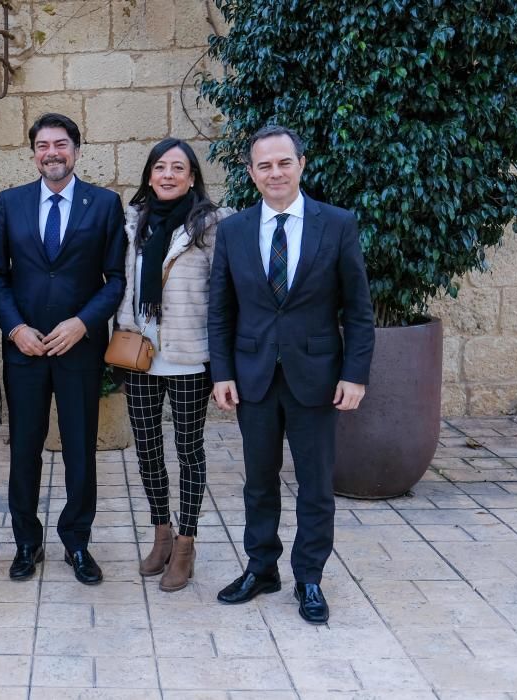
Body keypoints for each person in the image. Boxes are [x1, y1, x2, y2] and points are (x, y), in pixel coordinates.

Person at [207, 125, 374, 623]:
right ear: (252, 173)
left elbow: (359, 310)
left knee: (315, 483)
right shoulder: (234, 230)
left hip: (317, 377)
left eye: (283, 163)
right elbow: (221, 310)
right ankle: (261, 568)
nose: (274, 173)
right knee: (258, 481)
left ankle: (309, 578)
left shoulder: (338, 224)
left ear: (302, 164)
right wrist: (222, 372)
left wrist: (355, 374)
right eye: (264, 165)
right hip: (253, 376)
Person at [0, 113, 126, 585]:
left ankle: (77, 542)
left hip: (79, 351)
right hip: (25, 350)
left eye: (61, 144)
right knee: (24, 448)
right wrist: (14, 328)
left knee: (80, 450)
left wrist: (84, 323)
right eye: (43, 145)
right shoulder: (11, 203)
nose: (52, 152)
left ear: (77, 150)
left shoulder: (105, 204)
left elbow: (117, 279)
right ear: (33, 154)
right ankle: (27, 541)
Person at [115, 138, 233, 592]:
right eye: (160, 167)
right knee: (146, 451)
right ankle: (161, 533)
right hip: (140, 352)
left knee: (188, 451)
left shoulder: (208, 224)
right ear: (149, 175)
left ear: (191, 177)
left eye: (177, 168)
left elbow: (222, 294)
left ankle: (186, 543)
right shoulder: (134, 222)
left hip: (187, 355)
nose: (167, 175)